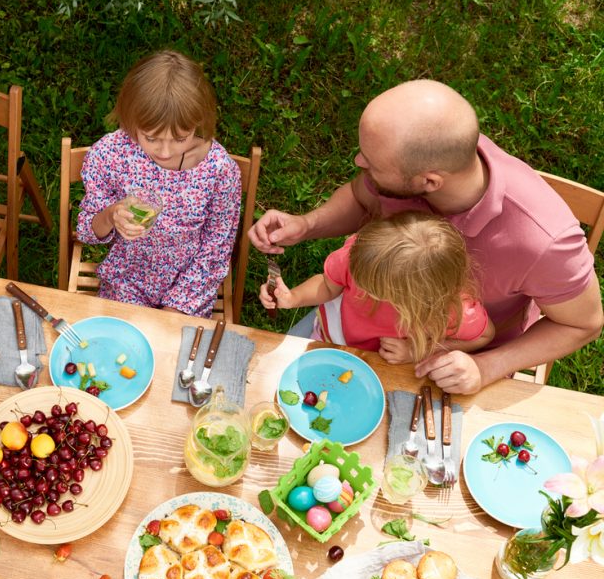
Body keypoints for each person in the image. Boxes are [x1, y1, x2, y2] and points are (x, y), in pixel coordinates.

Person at [250, 79, 602, 393]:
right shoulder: (415, 150)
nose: (359, 162)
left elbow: (583, 324)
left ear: (429, 182)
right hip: (352, 325)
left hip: (449, 357)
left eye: (371, 163)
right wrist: (307, 225)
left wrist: (485, 366)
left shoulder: (543, 239)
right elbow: (361, 197)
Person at [76, 50, 242, 318]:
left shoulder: (220, 171)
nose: (164, 151)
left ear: (197, 122)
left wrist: (174, 310)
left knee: (176, 355)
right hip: (127, 281)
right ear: (131, 120)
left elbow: (216, 249)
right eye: (151, 138)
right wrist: (111, 215)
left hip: (189, 288)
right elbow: (86, 231)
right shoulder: (111, 154)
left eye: (179, 138)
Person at [261, 211, 495, 364]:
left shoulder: (450, 310)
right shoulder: (362, 258)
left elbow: (484, 335)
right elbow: (328, 285)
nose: (358, 285)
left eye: (373, 289)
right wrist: (293, 297)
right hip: (331, 334)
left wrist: (416, 351)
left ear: (417, 298)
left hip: (382, 364)